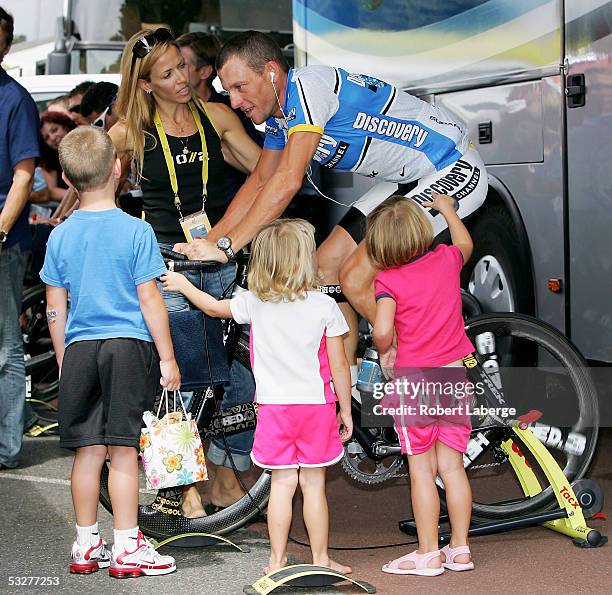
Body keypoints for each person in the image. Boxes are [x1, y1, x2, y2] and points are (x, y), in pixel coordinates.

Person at [177, 30, 488, 384]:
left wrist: (227, 247)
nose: (234, 102)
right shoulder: (281, 115)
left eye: (240, 86)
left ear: (271, 72)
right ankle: (352, 395)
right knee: (322, 270)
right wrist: (211, 242)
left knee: (354, 277)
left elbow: (287, 181)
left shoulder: (308, 91)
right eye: (229, 90)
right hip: (408, 178)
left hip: (449, 166)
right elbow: (261, 180)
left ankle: (410, 365)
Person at [109, 27, 262, 518]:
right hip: (167, 267)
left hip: (222, 261)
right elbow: (93, 187)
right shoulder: (129, 133)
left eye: (183, 65)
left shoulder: (215, 117)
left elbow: (266, 170)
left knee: (237, 374)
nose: (183, 78)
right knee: (182, 374)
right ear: (145, 85)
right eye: (167, 73)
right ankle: (181, 485)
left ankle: (222, 476)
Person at [161, 218, 354, 574]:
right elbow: (340, 365)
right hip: (315, 408)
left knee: (281, 484)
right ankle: (321, 560)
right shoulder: (325, 307)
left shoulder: (255, 303)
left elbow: (212, 307)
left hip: (275, 410)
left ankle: (275, 561)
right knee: (313, 487)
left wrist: (183, 284)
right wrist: (345, 408)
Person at [41, 126, 180, 577]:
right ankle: (126, 546)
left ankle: (85, 545)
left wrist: (65, 359)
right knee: (123, 450)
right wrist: (167, 357)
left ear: (65, 175)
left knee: (87, 452)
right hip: (127, 347)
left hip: (79, 349)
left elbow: (54, 307)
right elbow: (150, 299)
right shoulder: (136, 231)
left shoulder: (59, 236)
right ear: (118, 168)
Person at [366, 193, 475, 576]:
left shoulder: (387, 280)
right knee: (453, 468)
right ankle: (460, 548)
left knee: (421, 471)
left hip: (415, 382)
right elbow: (465, 243)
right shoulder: (446, 260)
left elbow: (381, 330)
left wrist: (386, 349)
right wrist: (447, 209)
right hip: (454, 376)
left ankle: (428, 552)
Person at [0, 5, 40, 469]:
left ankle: (8, 447)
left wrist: (1, 232)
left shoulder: (15, 100)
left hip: (4, 245)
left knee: (6, 346)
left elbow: (23, 177)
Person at [177, 31, 263, 201]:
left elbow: (262, 169)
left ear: (204, 72)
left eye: (181, 65)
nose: (174, 73)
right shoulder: (168, 113)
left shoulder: (232, 109)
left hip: (227, 211)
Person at [39, 110, 77, 201]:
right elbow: (52, 191)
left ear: (65, 126)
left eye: (54, 130)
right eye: (46, 138)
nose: (52, 138)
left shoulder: (87, 144)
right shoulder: (48, 160)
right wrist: (82, 198)